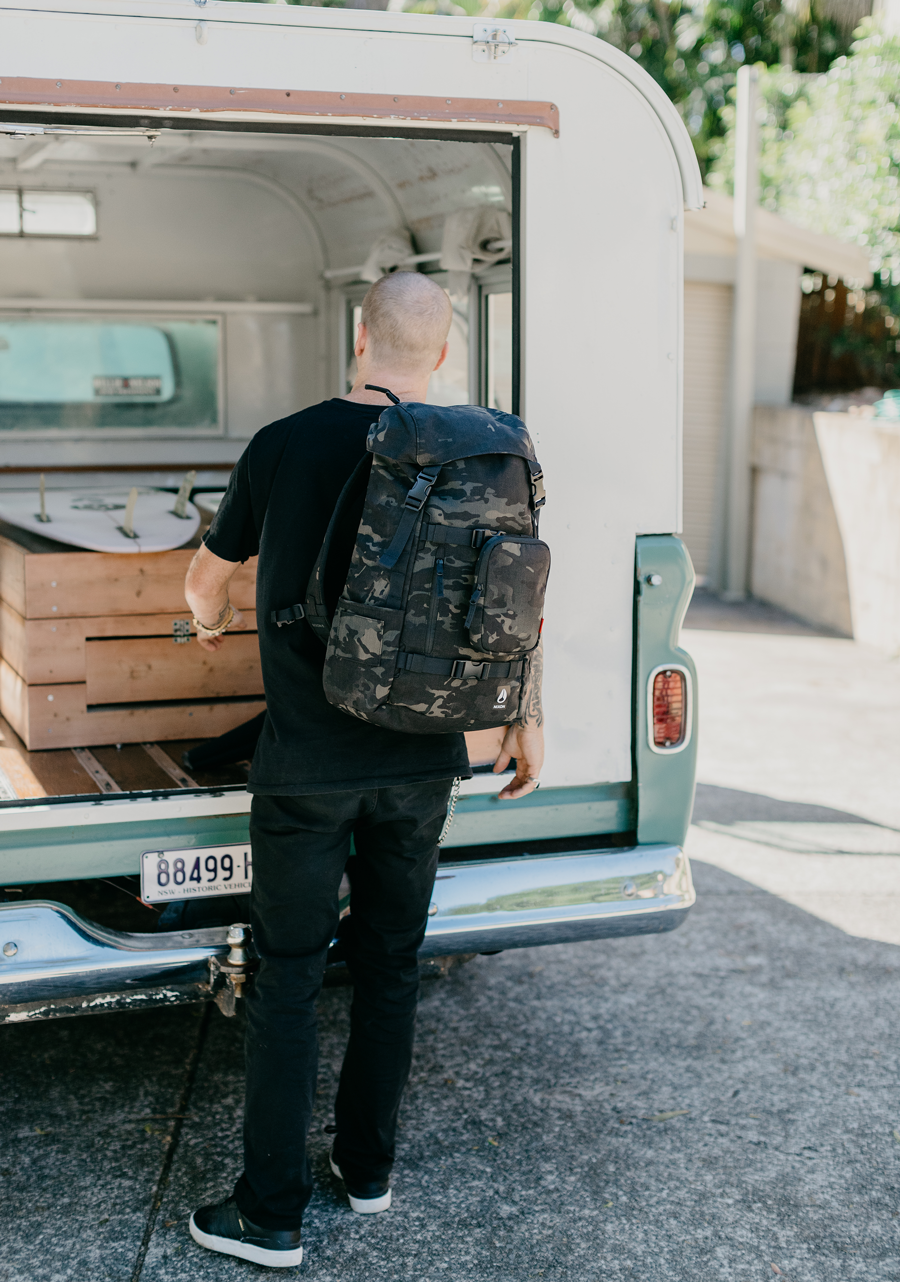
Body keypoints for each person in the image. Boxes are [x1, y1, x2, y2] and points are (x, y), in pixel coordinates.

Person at [184, 271, 544, 1269]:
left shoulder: (282, 444)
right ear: (441, 356)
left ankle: (270, 1215)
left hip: (307, 765)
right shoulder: (481, 451)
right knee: (390, 964)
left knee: (289, 979)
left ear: (357, 337)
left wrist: (209, 612)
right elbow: (513, 600)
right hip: (428, 759)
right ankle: (369, 1169)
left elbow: (209, 578)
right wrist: (527, 717)